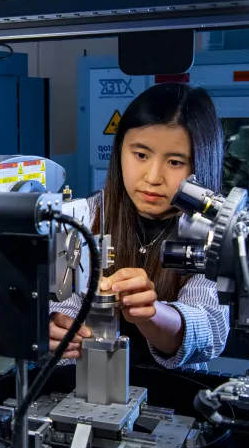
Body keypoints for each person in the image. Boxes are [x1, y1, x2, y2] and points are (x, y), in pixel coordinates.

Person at [50, 83, 229, 370]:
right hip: (85, 384)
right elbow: (62, 302)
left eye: (174, 161)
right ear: (120, 150)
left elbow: (210, 329)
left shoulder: (215, 230)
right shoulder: (87, 215)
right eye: (141, 155)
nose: (153, 177)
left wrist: (152, 313)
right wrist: (58, 328)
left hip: (173, 393)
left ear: (200, 163)